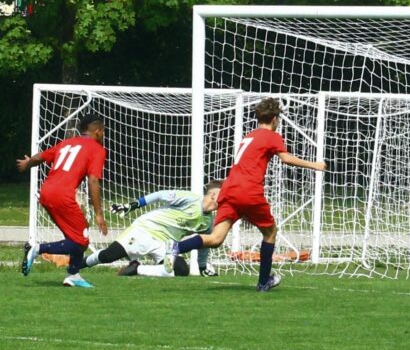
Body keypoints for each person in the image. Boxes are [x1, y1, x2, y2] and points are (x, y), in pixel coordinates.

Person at [167, 98, 327, 291]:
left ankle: (175, 249)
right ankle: (263, 282)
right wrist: (315, 165)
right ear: (275, 119)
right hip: (248, 191)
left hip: (229, 190)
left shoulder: (249, 136)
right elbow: (285, 158)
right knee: (270, 233)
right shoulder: (271, 136)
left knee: (216, 239)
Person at [17, 113, 108, 288]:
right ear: (97, 131)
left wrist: (27, 164)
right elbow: (93, 181)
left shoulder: (67, 143)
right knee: (82, 240)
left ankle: (73, 275)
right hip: (62, 195)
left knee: (74, 236)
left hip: (46, 192)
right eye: (103, 131)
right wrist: (98, 213)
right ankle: (37, 249)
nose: (103, 134)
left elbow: (39, 157)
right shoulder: (97, 149)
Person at [82, 180, 223, 277]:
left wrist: (203, 267)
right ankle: (78, 263)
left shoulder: (208, 222)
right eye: (224, 194)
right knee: (108, 256)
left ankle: (136, 269)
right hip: (145, 229)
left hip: (165, 244)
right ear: (213, 195)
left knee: (180, 269)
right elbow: (160, 195)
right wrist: (133, 205)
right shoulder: (191, 199)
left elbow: (205, 243)